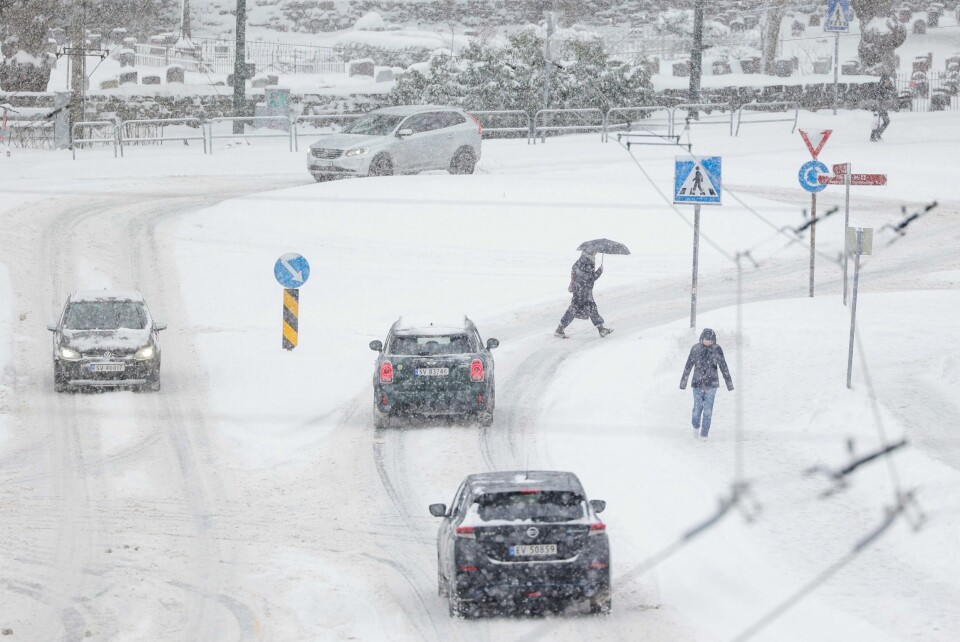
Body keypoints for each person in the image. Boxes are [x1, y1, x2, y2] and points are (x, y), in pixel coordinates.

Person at [679, 328, 734, 440]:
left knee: (708, 410)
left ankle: (704, 433)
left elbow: (724, 366)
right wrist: (683, 382)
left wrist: (729, 383)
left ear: (713, 340)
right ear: (702, 338)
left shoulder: (717, 349)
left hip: (712, 385)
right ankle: (695, 426)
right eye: (705, 339)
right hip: (697, 384)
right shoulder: (695, 349)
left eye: (709, 340)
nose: (707, 342)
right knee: (697, 408)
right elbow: (688, 365)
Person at [554, 251, 613, 338]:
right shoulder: (587, 261)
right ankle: (559, 329)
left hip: (581, 289)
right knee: (577, 309)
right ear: (591, 252)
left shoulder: (582, 260)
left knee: (589, 308)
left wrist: (575, 283)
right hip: (583, 291)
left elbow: (575, 269)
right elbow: (589, 278)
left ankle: (601, 329)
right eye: (595, 252)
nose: (596, 253)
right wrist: (599, 272)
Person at [870, 74, 895, 142]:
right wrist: (886, 99)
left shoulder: (886, 88)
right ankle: (873, 137)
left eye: (889, 81)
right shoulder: (879, 88)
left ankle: (877, 134)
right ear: (884, 81)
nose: (889, 82)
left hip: (882, 108)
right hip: (877, 108)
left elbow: (893, 91)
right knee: (876, 122)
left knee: (886, 121)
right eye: (887, 81)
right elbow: (878, 98)